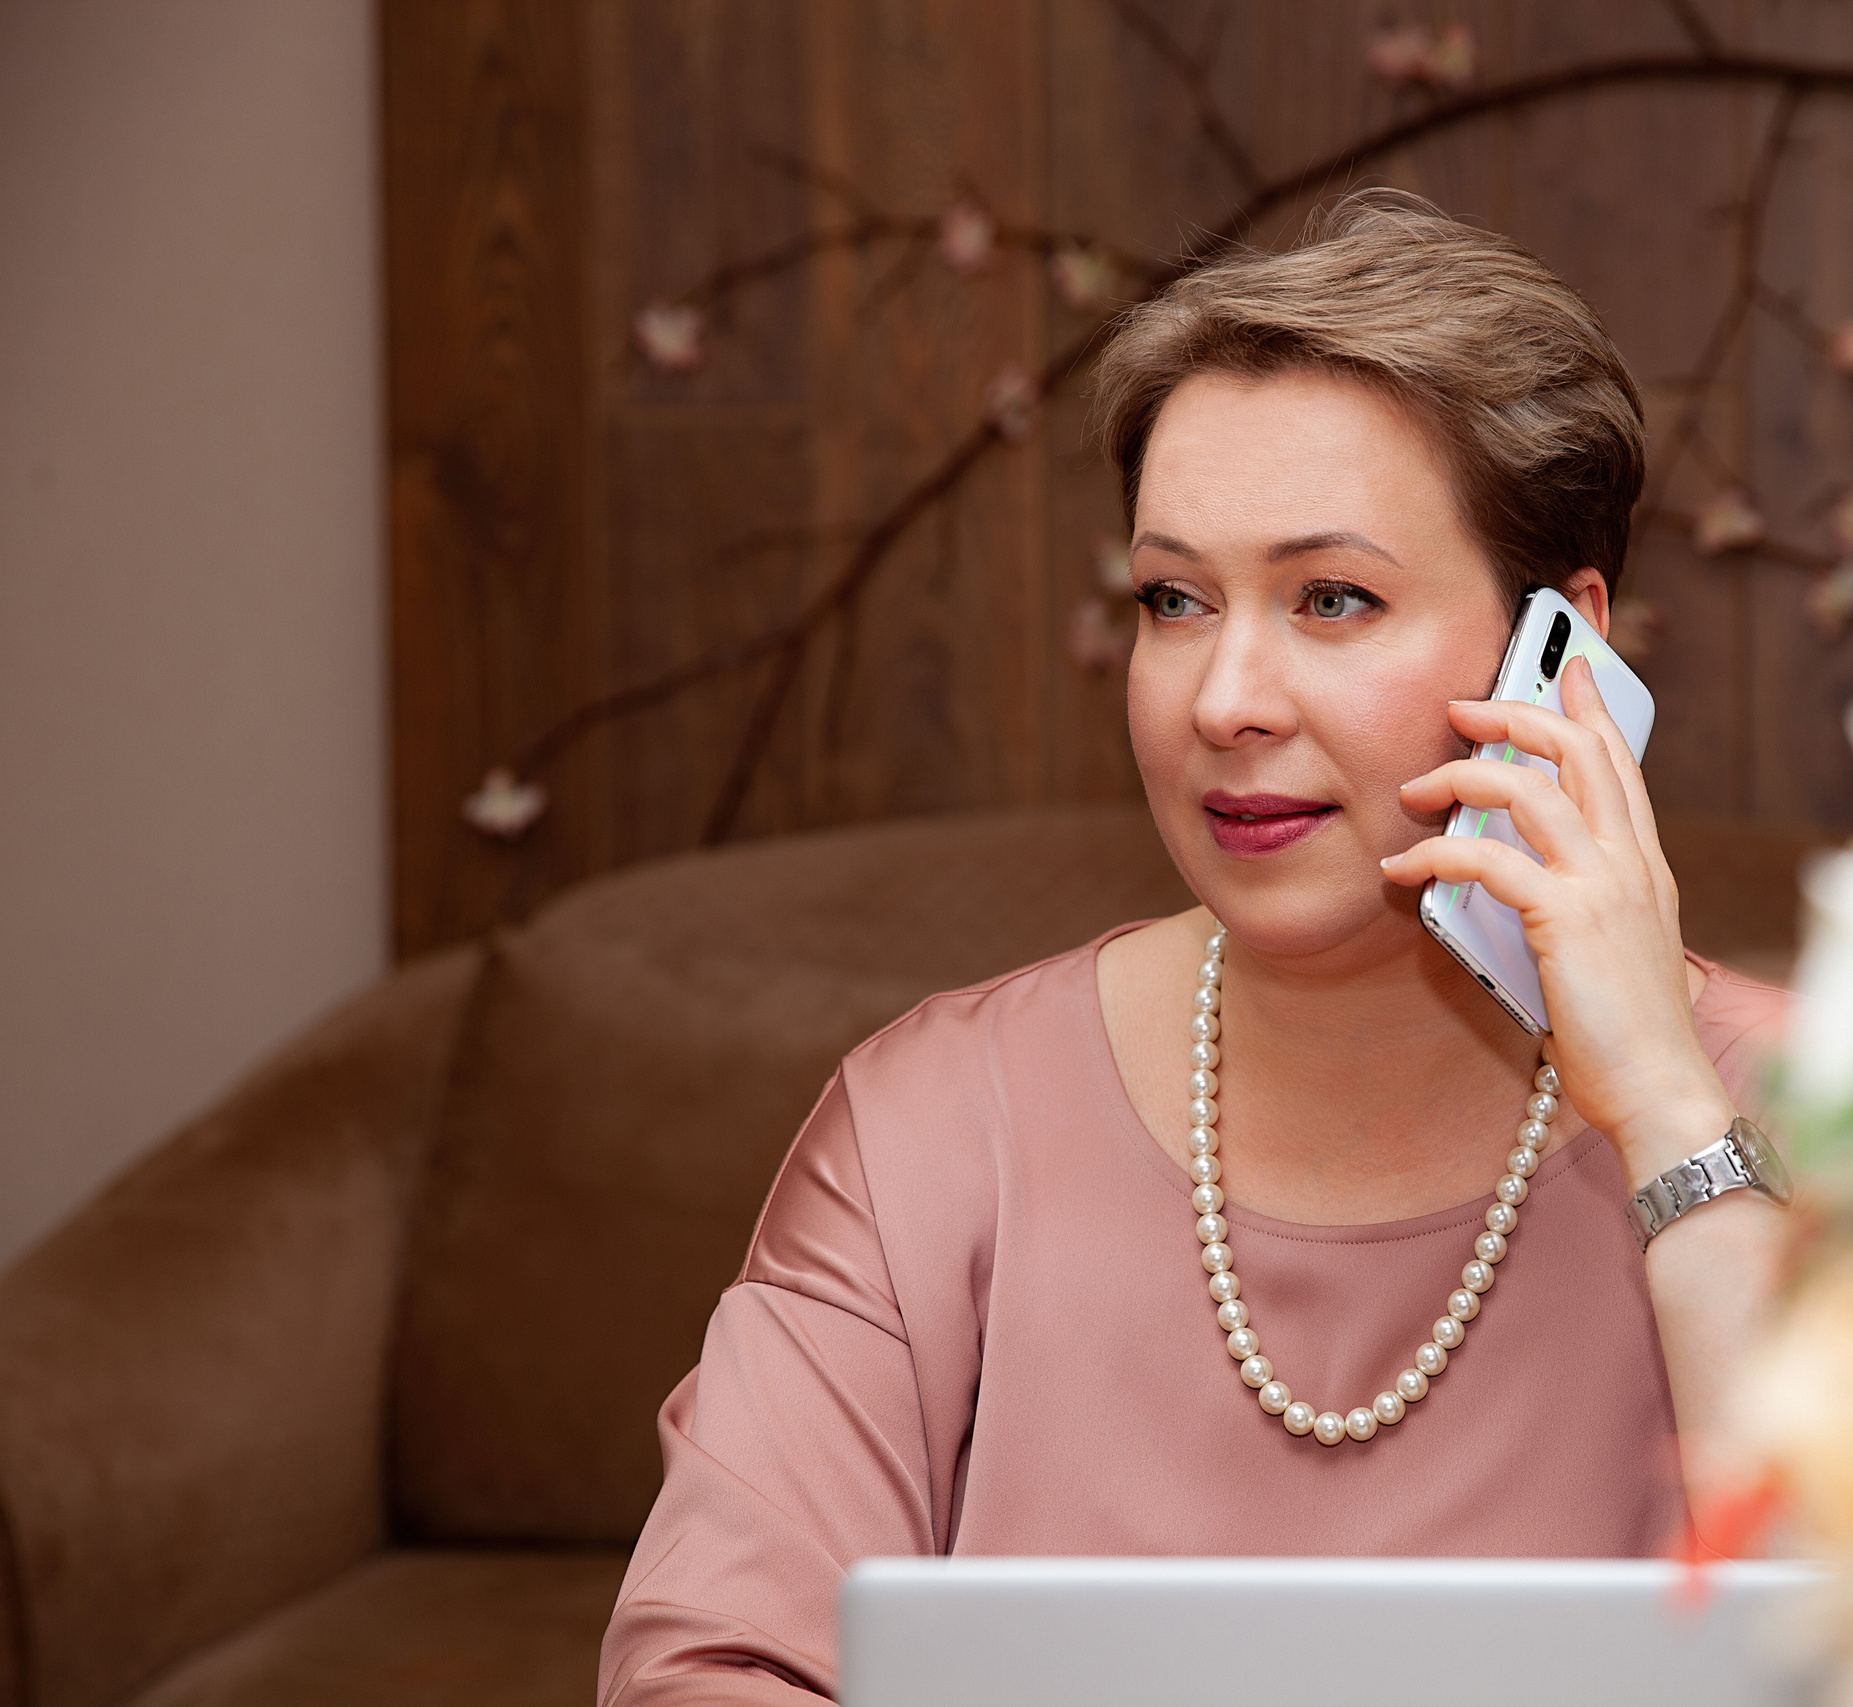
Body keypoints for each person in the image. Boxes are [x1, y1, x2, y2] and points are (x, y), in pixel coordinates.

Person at [598, 190, 1791, 1705]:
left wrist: (1676, 1125)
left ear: (1558, 655)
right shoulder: (939, 1128)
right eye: (1175, 599)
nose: (1224, 697)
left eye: (1332, 599)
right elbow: (703, 1667)